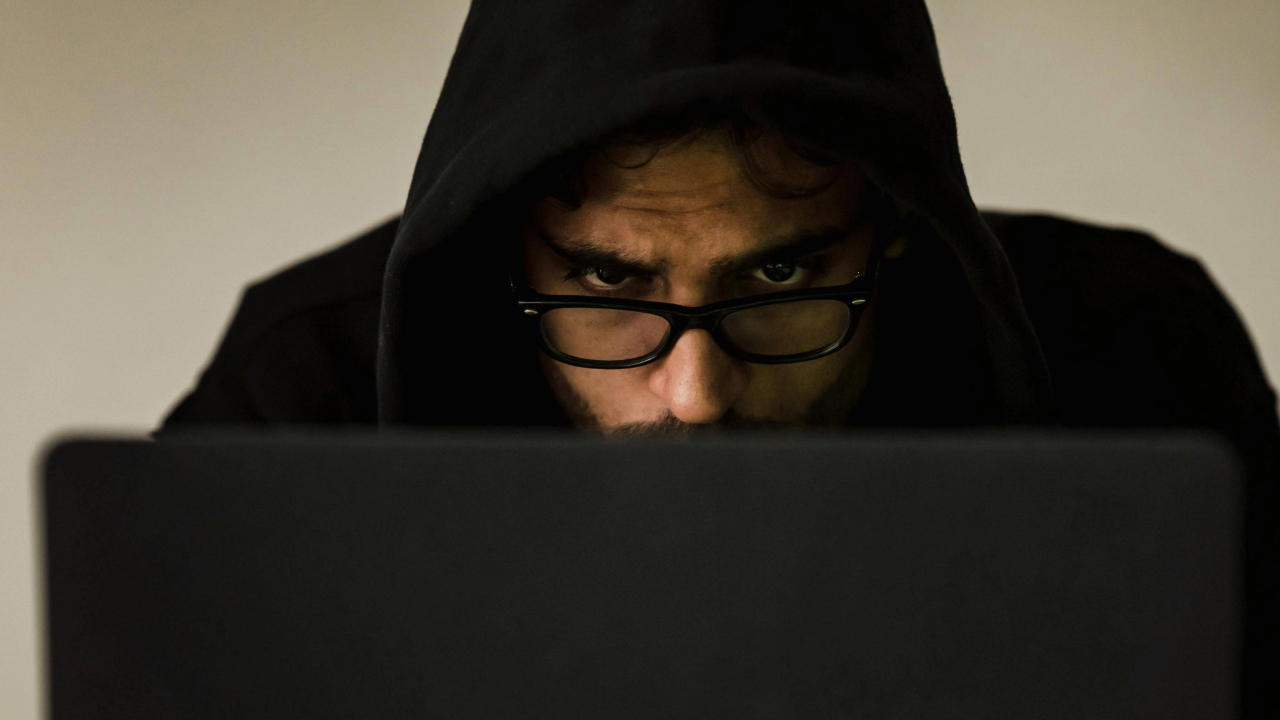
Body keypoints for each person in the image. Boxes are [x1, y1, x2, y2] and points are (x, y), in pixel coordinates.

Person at [159, 0, 1277, 714]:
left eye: (780, 278)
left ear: (893, 223)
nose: (695, 394)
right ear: (503, 242)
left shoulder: (1133, 352)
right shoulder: (301, 395)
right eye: (609, 282)